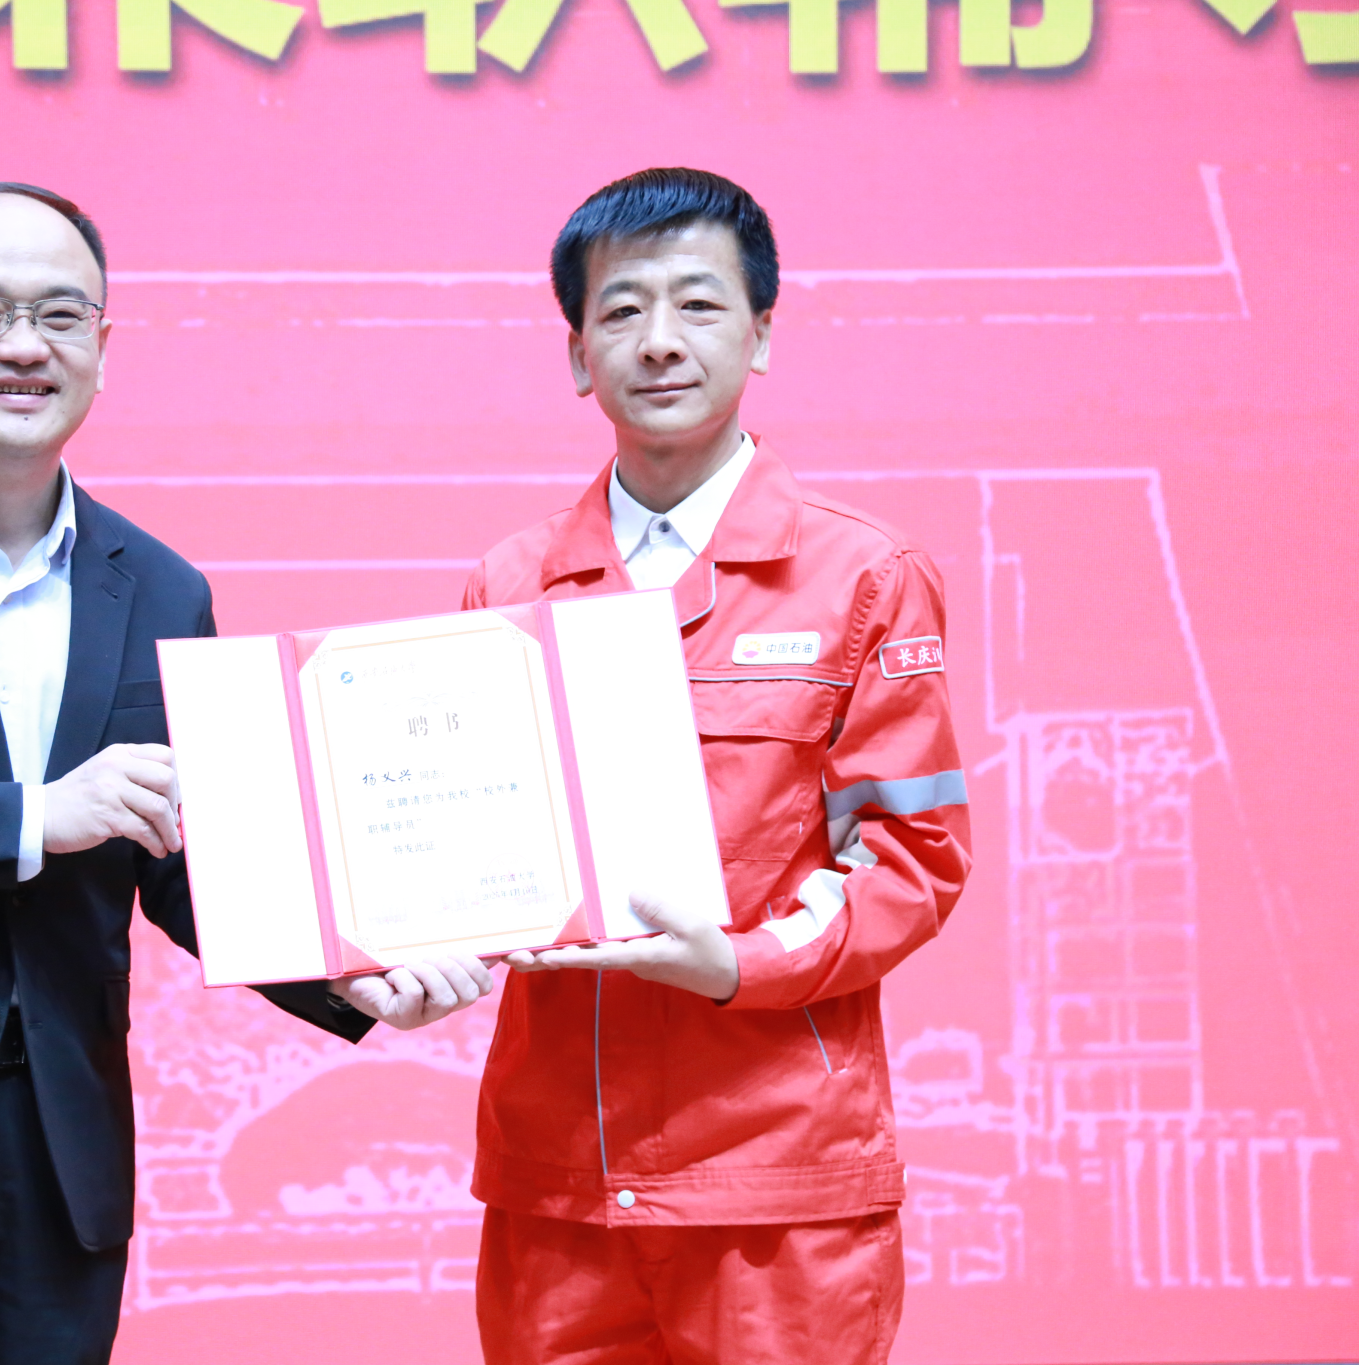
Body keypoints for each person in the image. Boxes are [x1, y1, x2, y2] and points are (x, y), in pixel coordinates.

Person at [0, 180, 493, 1365]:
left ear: (102, 351)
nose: (23, 346)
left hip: (54, 1152)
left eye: (60, 316)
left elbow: (182, 859)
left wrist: (349, 965)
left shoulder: (158, 587)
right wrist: (31, 818)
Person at [463, 169, 972, 1364]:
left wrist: (738, 965)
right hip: (557, 1184)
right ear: (576, 355)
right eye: (619, 310)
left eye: (697, 304)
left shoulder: (864, 576)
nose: (658, 341)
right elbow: (478, 846)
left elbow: (912, 863)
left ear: (761, 334)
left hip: (776, 1183)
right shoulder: (509, 583)